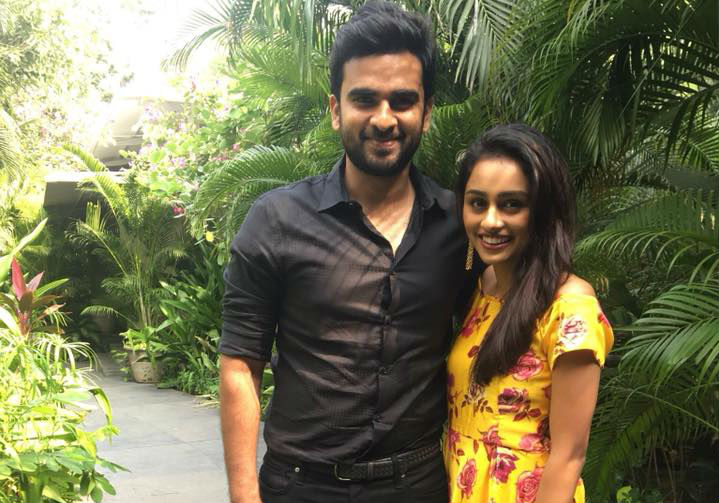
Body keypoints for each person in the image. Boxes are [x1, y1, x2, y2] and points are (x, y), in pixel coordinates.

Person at [219, 2, 471, 502]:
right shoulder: (277, 220)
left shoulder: (459, 226)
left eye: (403, 100)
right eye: (365, 100)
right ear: (336, 109)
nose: (384, 119)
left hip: (418, 486)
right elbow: (240, 366)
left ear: (426, 111)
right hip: (301, 487)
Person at [444, 124, 613, 503]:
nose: (490, 221)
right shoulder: (484, 285)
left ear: (542, 212)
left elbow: (569, 455)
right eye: (477, 203)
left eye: (511, 205)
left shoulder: (569, 307)